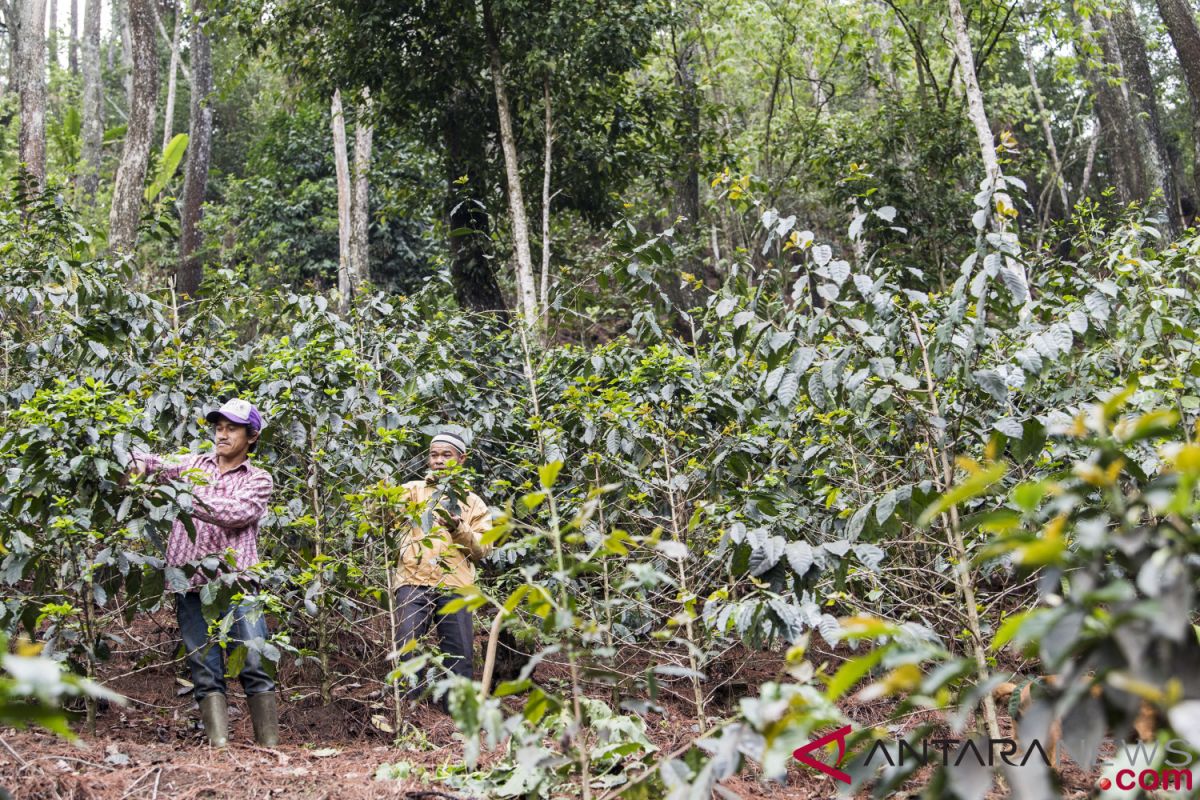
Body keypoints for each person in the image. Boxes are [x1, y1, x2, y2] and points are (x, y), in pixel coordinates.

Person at [131, 398, 277, 748]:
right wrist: (124, 458)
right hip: (192, 586)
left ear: (252, 436)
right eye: (219, 428)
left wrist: (182, 495)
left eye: (232, 428)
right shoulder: (193, 464)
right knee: (204, 669)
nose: (222, 435)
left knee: (254, 662)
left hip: (238, 586)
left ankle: (269, 749)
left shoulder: (258, 479)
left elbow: (235, 512)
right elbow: (153, 463)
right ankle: (219, 748)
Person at [393, 430, 492, 702]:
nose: (438, 460)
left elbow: (483, 549)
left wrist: (459, 528)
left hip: (456, 587)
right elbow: (379, 518)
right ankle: (406, 713)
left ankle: (457, 718)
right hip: (413, 580)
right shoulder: (410, 491)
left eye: (446, 455)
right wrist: (377, 498)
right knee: (407, 648)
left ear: (461, 459)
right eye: (433, 455)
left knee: (459, 655)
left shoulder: (473, 503)